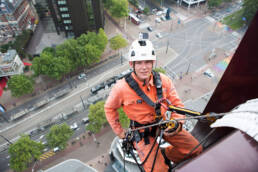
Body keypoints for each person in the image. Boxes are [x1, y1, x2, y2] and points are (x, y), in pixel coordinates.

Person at [105, 38, 202, 172]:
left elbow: (177, 104)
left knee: (196, 149)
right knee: (158, 170)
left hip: (164, 124)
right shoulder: (121, 88)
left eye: (148, 62)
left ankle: (166, 154)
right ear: (131, 64)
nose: (144, 67)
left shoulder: (164, 81)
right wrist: (120, 133)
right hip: (141, 132)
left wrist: (177, 123)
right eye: (139, 63)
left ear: (153, 62)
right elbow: (109, 108)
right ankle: (161, 161)